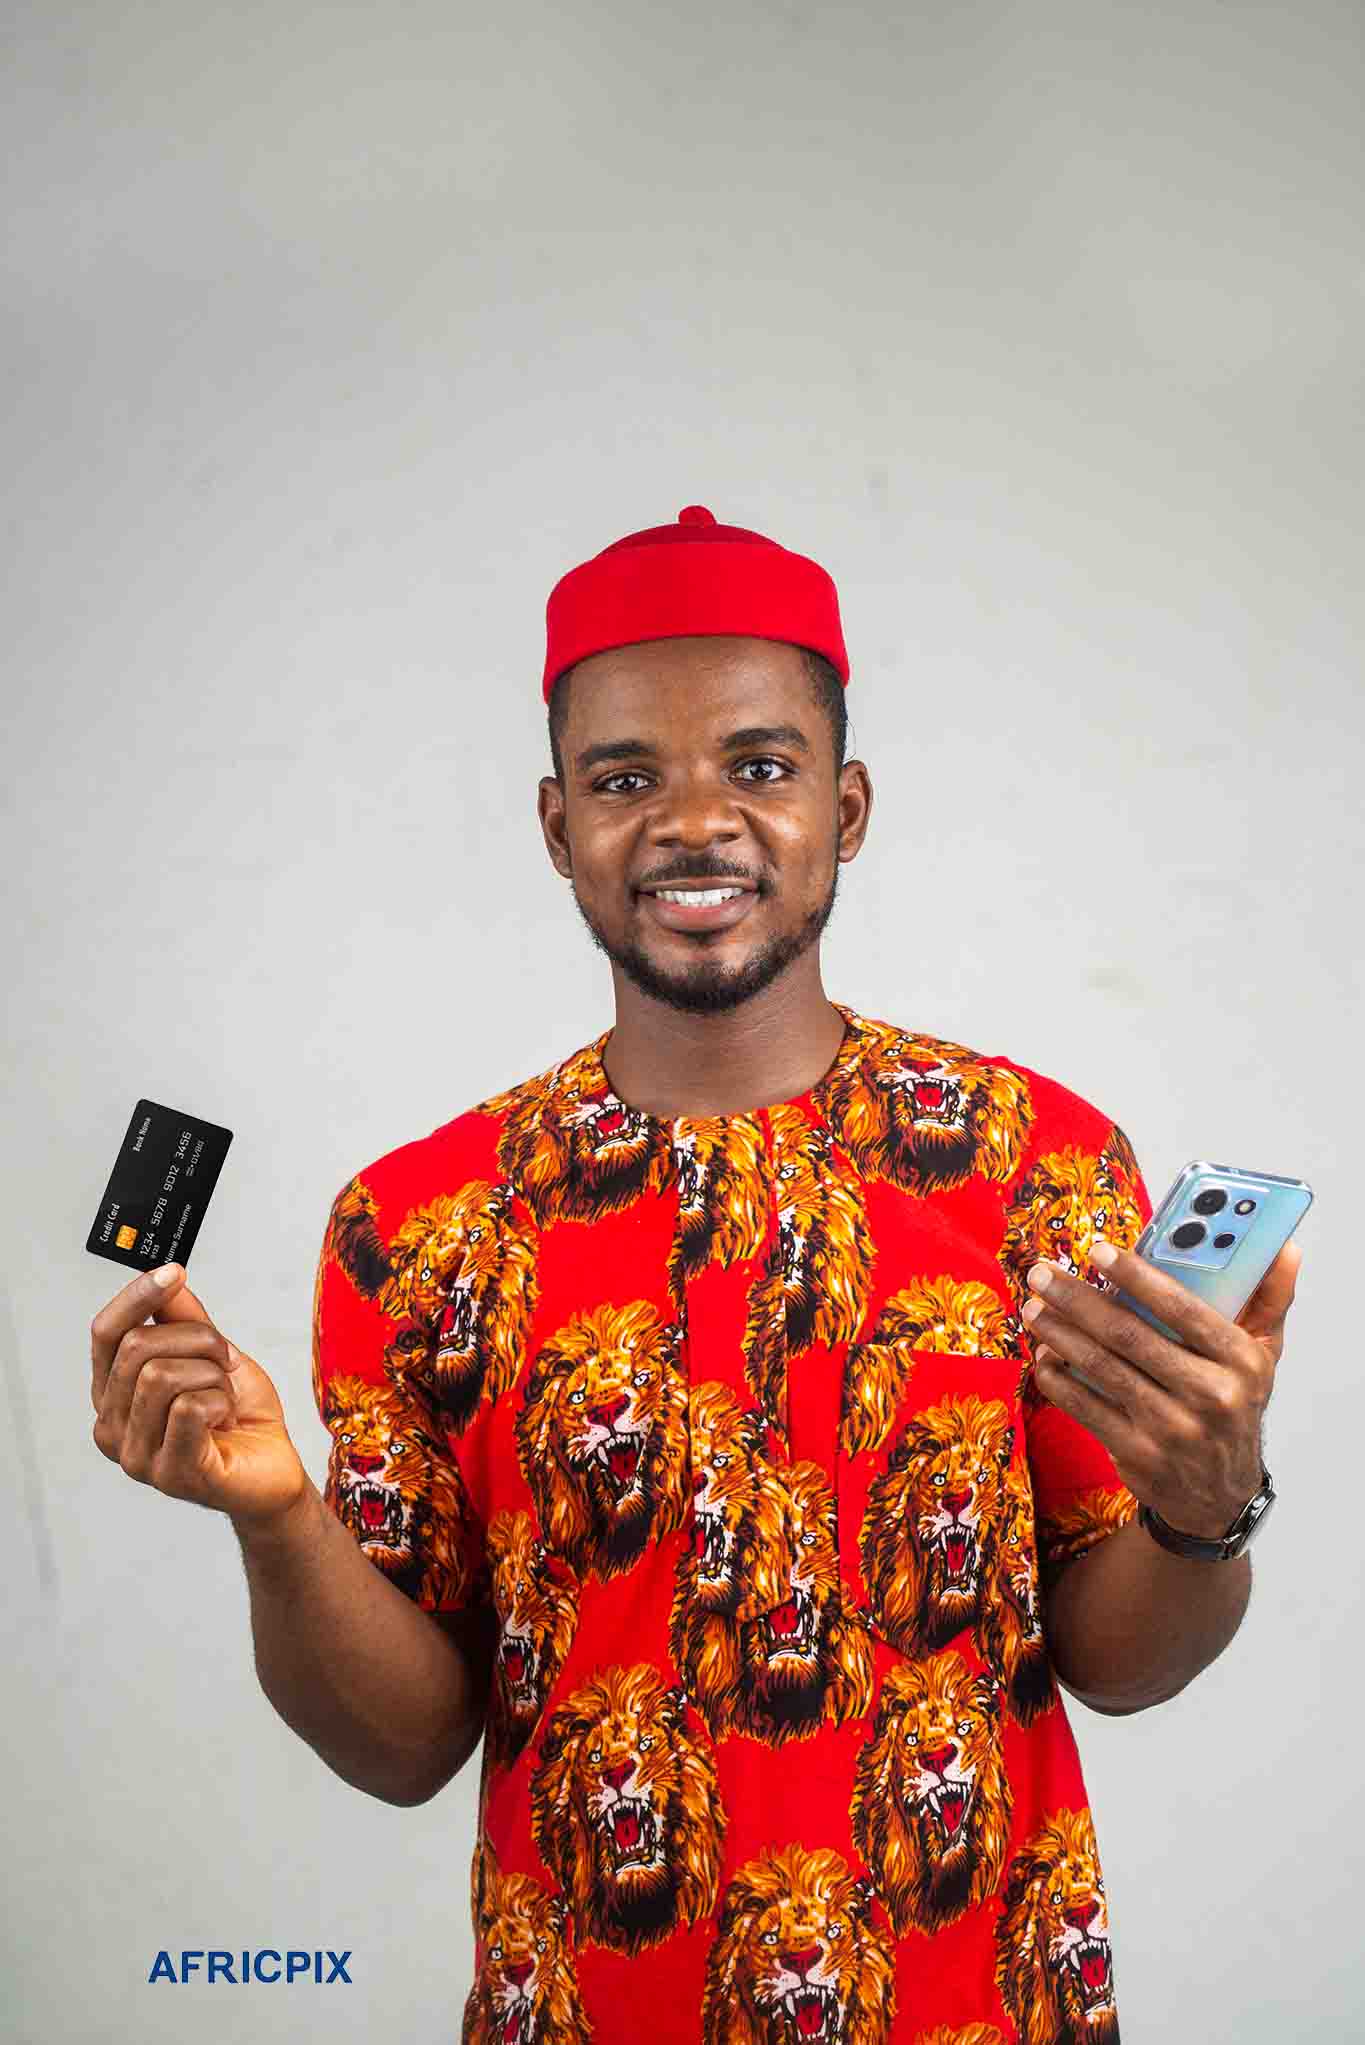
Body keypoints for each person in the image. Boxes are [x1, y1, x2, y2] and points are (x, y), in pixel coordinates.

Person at [89, 506, 1298, 2042]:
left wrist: (1204, 1511)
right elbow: (404, 1745)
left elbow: (1121, 1664)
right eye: (624, 778)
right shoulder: (418, 1222)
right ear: (554, 826)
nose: (693, 821)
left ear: (845, 810)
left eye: (758, 765)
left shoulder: (1032, 1164)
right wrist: (272, 1517)